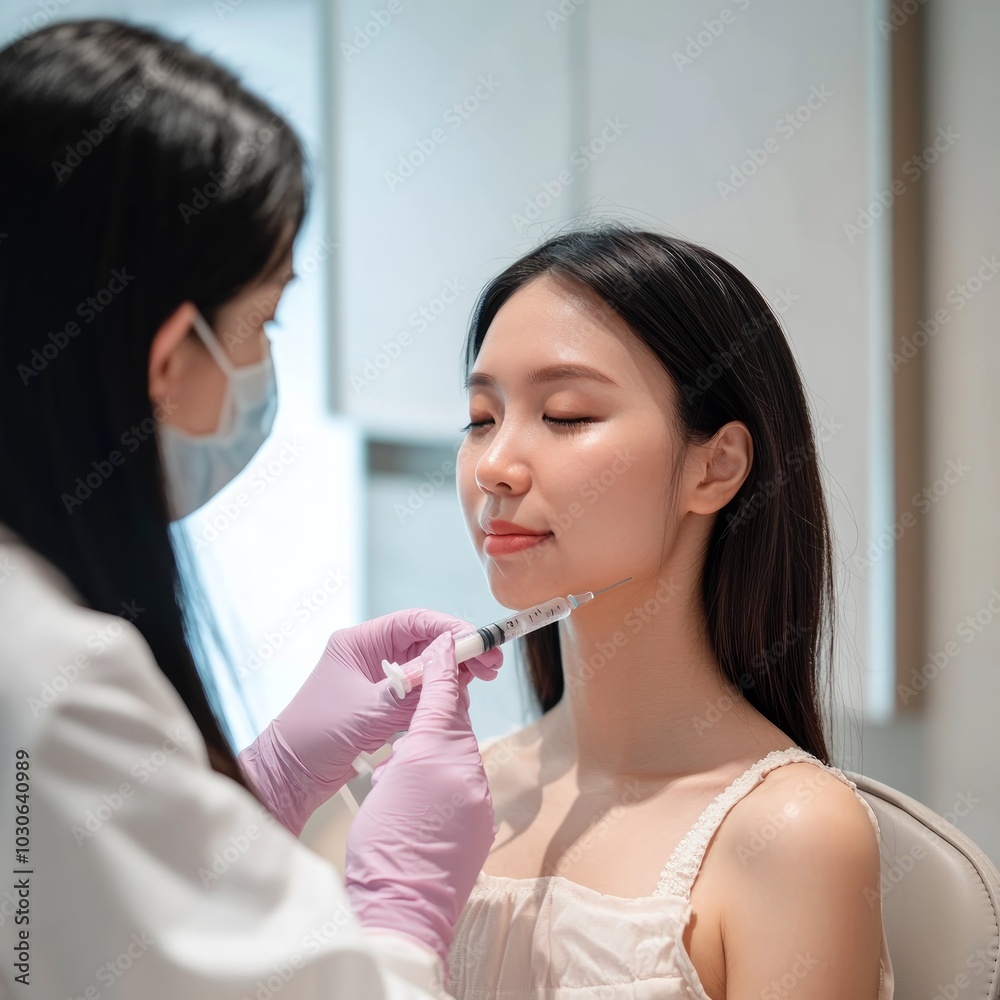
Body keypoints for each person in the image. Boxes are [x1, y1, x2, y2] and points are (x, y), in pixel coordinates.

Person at [0, 18, 501, 999]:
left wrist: (241, 794)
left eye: (568, 413)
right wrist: (401, 909)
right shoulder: (53, 680)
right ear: (167, 352)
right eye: (263, 320)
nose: (500, 466)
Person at [446, 226, 895, 998]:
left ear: (715, 466)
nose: (494, 466)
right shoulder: (445, 795)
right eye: (482, 418)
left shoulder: (790, 836)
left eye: (566, 415)